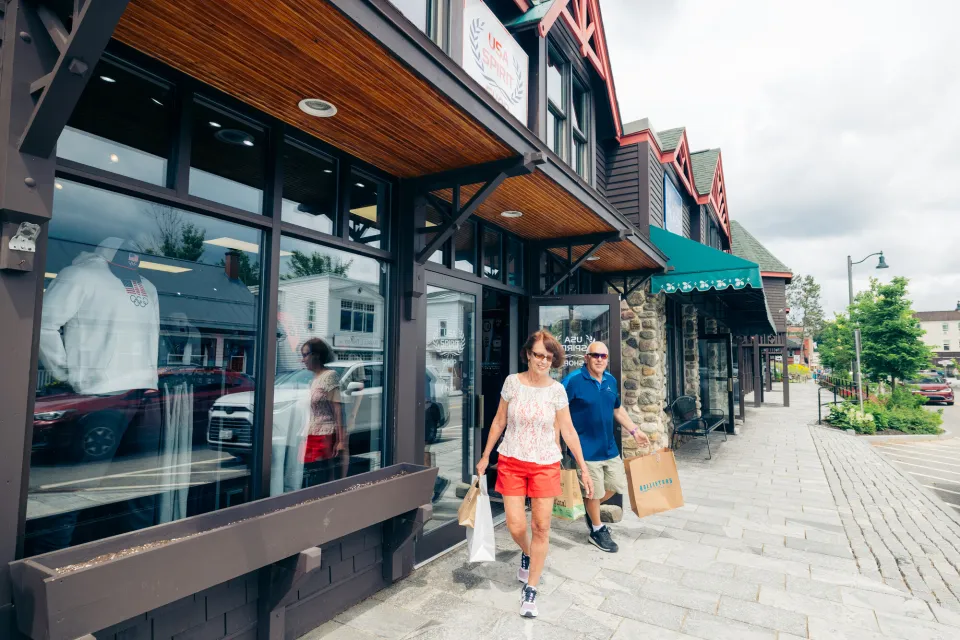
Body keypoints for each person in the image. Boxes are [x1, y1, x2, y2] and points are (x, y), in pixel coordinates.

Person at [476, 330, 594, 619]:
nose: (543, 361)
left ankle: (531, 588)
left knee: (541, 527)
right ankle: (527, 552)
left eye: (549, 357)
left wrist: (583, 467)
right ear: (528, 354)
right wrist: (485, 455)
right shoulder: (512, 383)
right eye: (538, 354)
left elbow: (568, 430)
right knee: (516, 526)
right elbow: (499, 420)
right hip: (512, 461)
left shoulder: (557, 390)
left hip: (545, 464)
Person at [562, 342, 650, 553]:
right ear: (586, 358)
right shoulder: (573, 381)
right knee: (594, 493)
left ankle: (588, 508)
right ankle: (596, 528)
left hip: (609, 448)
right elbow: (558, 410)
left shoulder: (610, 380)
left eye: (603, 356)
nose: (600, 359)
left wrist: (635, 431)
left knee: (615, 486)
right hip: (585, 450)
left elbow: (617, 410)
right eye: (595, 355)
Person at [301, 339, 349, 484]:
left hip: (326, 435)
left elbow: (338, 409)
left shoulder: (330, 376)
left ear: (316, 355)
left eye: (305, 355)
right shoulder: (315, 379)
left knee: (326, 478)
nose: (302, 360)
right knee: (313, 477)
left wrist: (341, 441)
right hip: (313, 434)